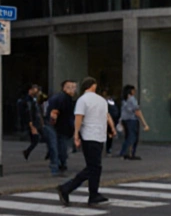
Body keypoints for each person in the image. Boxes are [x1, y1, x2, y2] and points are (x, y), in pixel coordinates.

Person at [56, 77, 116, 206]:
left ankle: (71, 189)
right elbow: (107, 115)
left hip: (88, 136)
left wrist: (76, 134)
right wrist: (112, 128)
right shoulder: (101, 100)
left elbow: (79, 118)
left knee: (93, 167)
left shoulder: (82, 100)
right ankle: (85, 192)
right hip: (99, 135)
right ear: (93, 86)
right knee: (95, 167)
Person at [44, 80, 77, 176]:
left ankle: (59, 165)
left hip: (59, 126)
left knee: (58, 147)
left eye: (74, 87)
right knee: (60, 147)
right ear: (65, 88)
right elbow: (54, 112)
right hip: (59, 127)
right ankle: (57, 166)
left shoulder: (62, 98)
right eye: (71, 87)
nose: (73, 89)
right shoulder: (64, 98)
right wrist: (53, 121)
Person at [118, 85, 151, 160]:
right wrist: (144, 124)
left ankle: (125, 152)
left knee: (128, 136)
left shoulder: (124, 100)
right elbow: (137, 111)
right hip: (132, 120)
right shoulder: (132, 99)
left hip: (125, 120)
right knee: (133, 137)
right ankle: (130, 153)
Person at [21, 85, 45, 160]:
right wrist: (31, 125)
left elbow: (37, 111)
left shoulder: (34, 100)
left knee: (42, 138)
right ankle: (27, 151)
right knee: (36, 139)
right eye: (34, 90)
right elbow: (29, 113)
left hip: (36, 122)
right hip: (33, 123)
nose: (36, 92)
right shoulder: (28, 100)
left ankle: (27, 151)